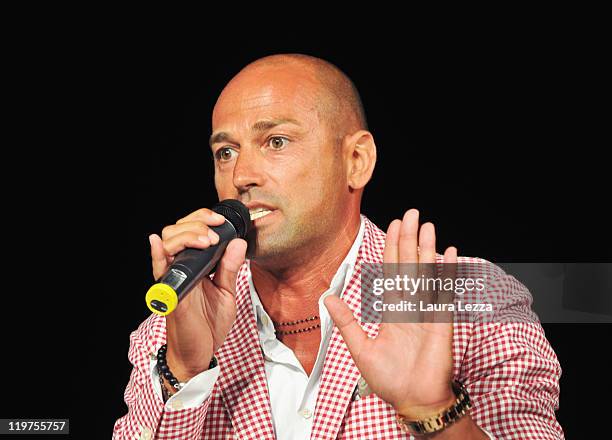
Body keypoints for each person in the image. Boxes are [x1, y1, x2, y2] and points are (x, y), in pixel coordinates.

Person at [113, 54, 563, 439]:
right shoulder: (171, 324)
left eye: (276, 141)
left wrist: (435, 413)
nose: (241, 175)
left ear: (356, 161)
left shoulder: (467, 298)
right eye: (225, 152)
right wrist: (185, 370)